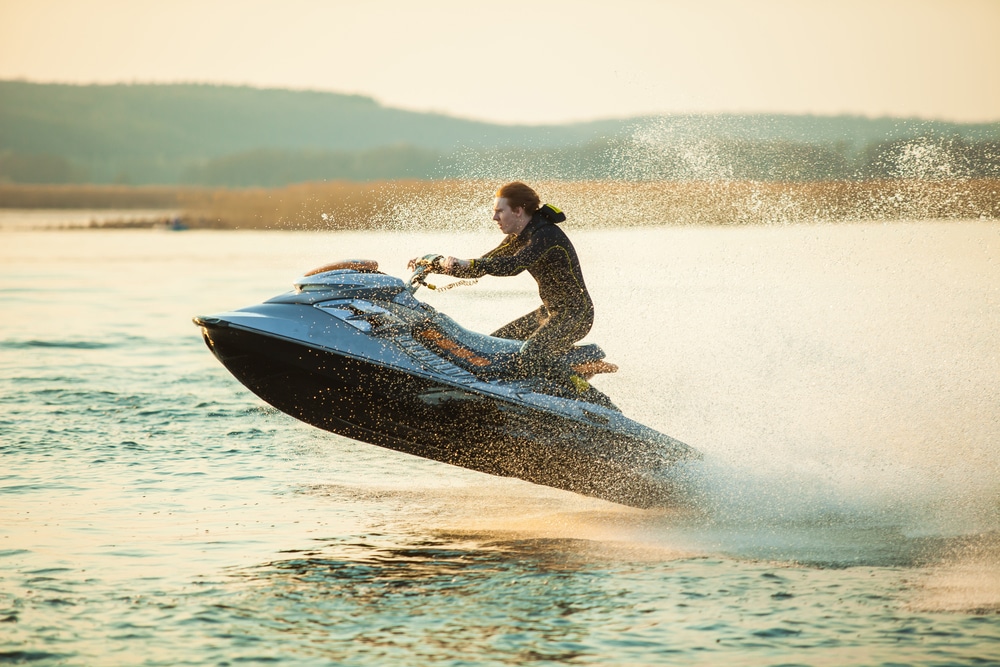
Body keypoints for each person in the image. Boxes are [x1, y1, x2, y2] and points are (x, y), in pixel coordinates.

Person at [415, 182, 595, 381]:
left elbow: (513, 266)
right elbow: (481, 266)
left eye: (500, 211)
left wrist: (468, 262)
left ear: (518, 211)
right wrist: (433, 265)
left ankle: (578, 388)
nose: (494, 218)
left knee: (530, 354)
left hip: (576, 314)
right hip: (550, 312)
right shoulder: (518, 237)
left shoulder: (546, 235)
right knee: (492, 347)